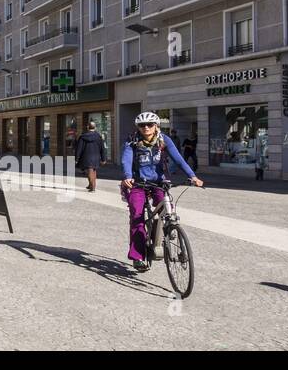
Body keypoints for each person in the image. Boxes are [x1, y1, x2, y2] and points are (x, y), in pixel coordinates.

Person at [120, 112, 203, 272]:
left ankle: (169, 227)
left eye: (150, 124)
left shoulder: (164, 140)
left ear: (156, 125)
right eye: (142, 125)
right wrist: (128, 176)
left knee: (166, 207)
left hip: (159, 182)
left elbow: (178, 159)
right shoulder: (132, 140)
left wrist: (192, 176)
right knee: (137, 216)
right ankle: (138, 257)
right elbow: (126, 159)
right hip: (137, 183)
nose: (146, 128)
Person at [74, 120, 105, 193]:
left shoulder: (83, 137)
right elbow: (102, 148)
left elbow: (79, 148)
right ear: (95, 128)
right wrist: (103, 158)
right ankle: (91, 185)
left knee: (89, 171)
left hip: (86, 156)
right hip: (96, 156)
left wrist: (76, 158)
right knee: (93, 171)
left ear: (88, 127)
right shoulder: (98, 137)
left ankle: (92, 188)